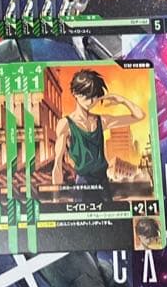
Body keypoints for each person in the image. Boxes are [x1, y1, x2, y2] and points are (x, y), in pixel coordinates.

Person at [51, 69, 145, 202]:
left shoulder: (102, 120)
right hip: (83, 185)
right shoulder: (65, 124)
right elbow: (57, 164)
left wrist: (122, 100)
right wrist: (56, 199)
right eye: (86, 96)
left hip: (103, 184)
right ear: (75, 94)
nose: (91, 101)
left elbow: (139, 116)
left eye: (94, 96)